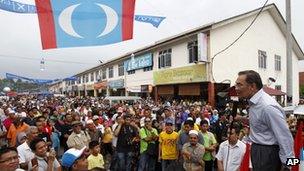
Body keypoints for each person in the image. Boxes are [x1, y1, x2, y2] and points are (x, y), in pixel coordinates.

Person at [235, 70, 294, 171]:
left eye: (239, 85)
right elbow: (261, 124)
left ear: (252, 86)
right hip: (258, 150)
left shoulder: (267, 107)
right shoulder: (254, 103)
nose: (236, 88)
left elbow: (285, 137)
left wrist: (289, 165)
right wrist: (242, 119)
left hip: (268, 153)